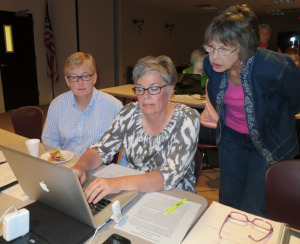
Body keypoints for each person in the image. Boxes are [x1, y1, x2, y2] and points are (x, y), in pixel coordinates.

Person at [203, 5, 300, 217]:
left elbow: (296, 101)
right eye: (210, 47)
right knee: (228, 200)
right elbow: (215, 97)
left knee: (255, 206)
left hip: (267, 139)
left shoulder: (276, 67)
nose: (214, 57)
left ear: (244, 46)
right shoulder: (211, 64)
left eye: (223, 49)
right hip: (231, 137)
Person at [71, 55, 200, 204]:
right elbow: (101, 149)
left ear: (170, 90)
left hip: (173, 198)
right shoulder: (129, 112)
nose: (145, 96)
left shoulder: (187, 118)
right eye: (140, 89)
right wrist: (80, 166)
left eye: (153, 89)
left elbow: (169, 176)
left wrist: (118, 183)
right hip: (133, 192)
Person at [42, 52, 123, 156]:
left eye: (85, 76)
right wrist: (62, 160)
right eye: (74, 77)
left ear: (94, 78)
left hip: (99, 167)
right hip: (67, 164)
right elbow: (49, 140)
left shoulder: (114, 106)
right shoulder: (56, 105)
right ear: (67, 81)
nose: (80, 82)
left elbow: (122, 143)